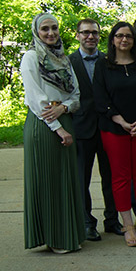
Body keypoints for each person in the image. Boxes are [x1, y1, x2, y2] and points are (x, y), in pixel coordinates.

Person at [22, 13, 85, 253]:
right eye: (45, 29)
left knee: (66, 181)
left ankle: (69, 235)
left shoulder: (63, 60)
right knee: (49, 182)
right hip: (44, 126)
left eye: (54, 28)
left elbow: (76, 96)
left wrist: (64, 108)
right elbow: (36, 99)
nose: (51, 33)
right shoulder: (30, 57)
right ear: (36, 32)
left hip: (64, 119)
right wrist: (58, 128)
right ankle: (55, 238)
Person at [94, 21, 136, 247]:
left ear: (134, 40)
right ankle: (128, 225)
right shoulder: (103, 66)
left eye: (128, 36)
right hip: (114, 130)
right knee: (121, 178)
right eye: (120, 36)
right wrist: (120, 120)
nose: (124, 40)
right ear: (113, 39)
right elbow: (100, 98)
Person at [69, 18, 123, 241]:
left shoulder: (109, 60)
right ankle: (86, 222)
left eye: (94, 33)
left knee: (111, 176)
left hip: (107, 125)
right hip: (81, 127)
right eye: (85, 33)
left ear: (100, 36)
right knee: (82, 178)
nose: (90, 36)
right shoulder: (68, 61)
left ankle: (112, 220)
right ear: (78, 35)